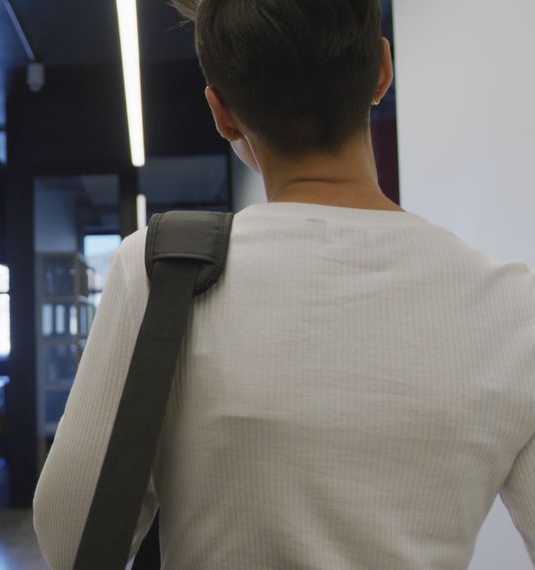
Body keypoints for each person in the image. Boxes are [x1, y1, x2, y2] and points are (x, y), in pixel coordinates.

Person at [34, 0, 535, 568]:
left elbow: (71, 541)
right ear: (382, 70)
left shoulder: (162, 271)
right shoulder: (513, 308)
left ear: (222, 112)